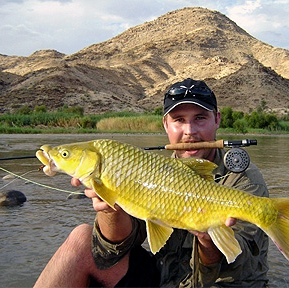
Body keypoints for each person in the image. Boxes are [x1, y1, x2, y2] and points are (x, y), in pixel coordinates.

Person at [34, 78, 269, 287]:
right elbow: (113, 249)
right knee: (82, 239)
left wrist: (209, 243)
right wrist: (110, 209)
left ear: (216, 120)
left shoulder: (243, 176)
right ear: (166, 124)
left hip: (220, 283)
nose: (189, 131)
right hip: (165, 277)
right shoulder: (150, 170)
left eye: (200, 118)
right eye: (179, 120)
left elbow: (242, 263)